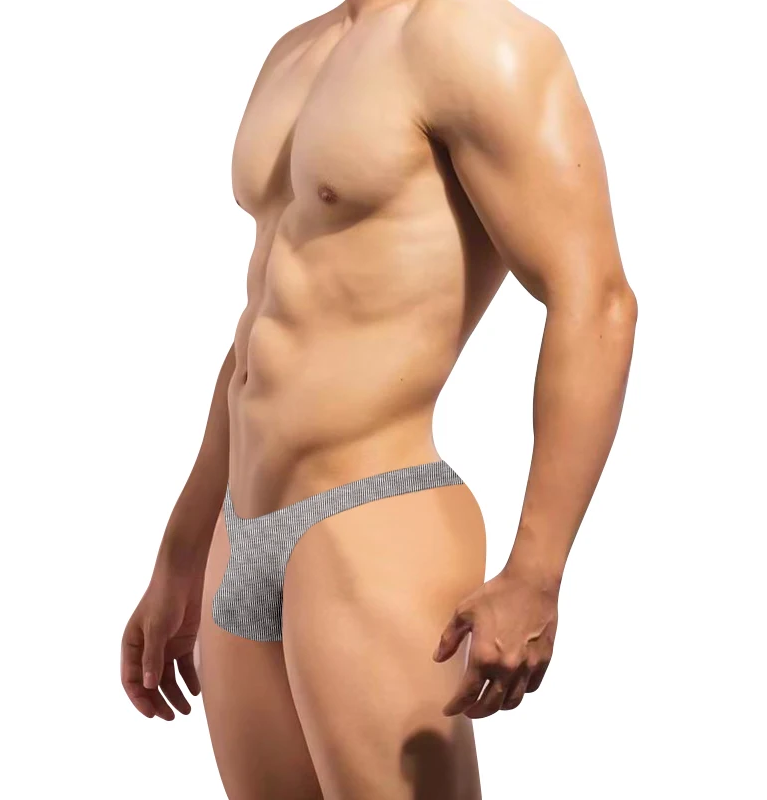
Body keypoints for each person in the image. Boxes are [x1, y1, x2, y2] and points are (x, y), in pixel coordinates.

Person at [120, 0, 637, 796]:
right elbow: (262, 332)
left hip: (372, 517)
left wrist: (537, 569)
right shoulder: (295, 50)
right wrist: (178, 556)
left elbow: (595, 300)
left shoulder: (475, 40)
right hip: (239, 528)